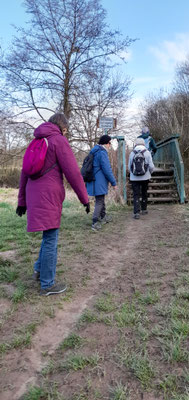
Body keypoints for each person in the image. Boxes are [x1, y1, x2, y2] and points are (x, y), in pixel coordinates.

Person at [16, 113, 90, 296]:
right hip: (49, 196)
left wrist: (22, 201)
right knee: (51, 238)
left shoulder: (35, 140)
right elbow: (73, 173)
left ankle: (39, 270)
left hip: (34, 194)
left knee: (47, 234)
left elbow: (24, 173)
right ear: (63, 128)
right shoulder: (58, 140)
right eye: (66, 130)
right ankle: (47, 284)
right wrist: (85, 199)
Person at [86, 135, 117, 231]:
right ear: (106, 143)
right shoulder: (102, 153)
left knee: (100, 199)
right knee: (99, 201)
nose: (110, 145)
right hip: (99, 181)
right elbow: (107, 169)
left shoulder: (94, 150)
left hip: (94, 180)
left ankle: (103, 216)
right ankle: (94, 222)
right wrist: (113, 182)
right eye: (109, 143)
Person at [128, 137, 154, 219]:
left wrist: (132, 174)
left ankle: (136, 213)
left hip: (134, 178)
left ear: (136, 144)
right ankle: (144, 209)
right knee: (144, 193)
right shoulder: (147, 152)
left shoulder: (132, 153)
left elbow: (129, 167)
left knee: (136, 194)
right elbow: (151, 166)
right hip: (145, 177)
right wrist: (150, 173)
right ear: (144, 144)